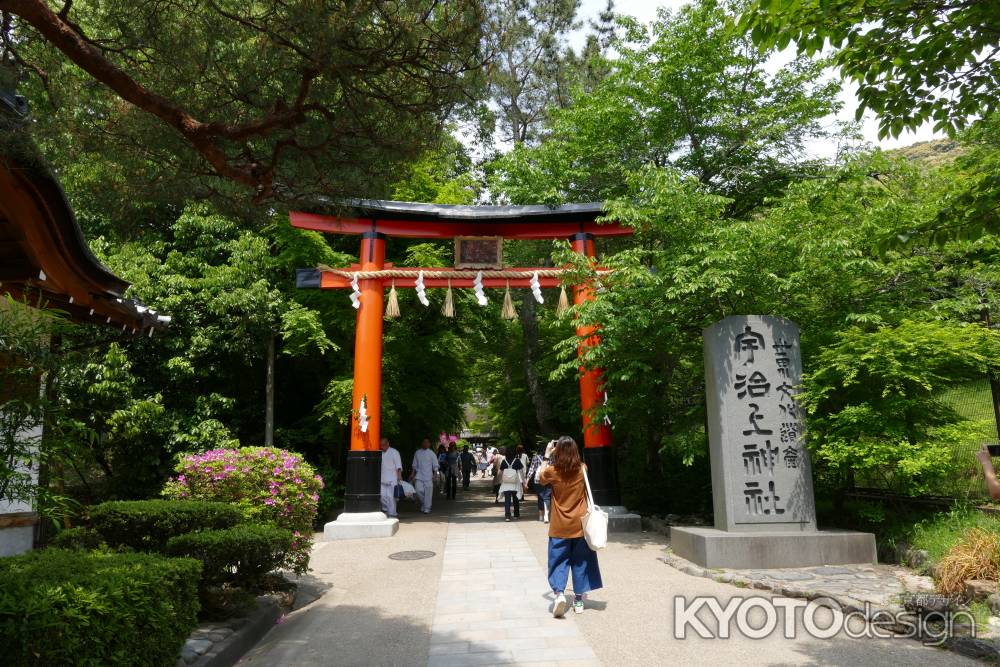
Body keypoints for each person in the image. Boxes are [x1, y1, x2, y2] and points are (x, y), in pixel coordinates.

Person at [538, 435, 603, 617]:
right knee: (581, 562)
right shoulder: (583, 469)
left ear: (557, 451)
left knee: (558, 561)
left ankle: (559, 594)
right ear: (575, 451)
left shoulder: (552, 471)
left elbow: (540, 478)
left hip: (559, 526)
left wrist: (546, 455)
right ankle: (579, 600)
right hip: (581, 525)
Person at [410, 438, 439, 513]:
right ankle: (424, 504)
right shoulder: (417, 452)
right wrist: (412, 474)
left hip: (429, 476)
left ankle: (427, 508)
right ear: (422, 443)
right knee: (418, 490)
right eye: (424, 442)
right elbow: (414, 465)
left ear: (429, 444)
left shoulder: (431, 453)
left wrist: (435, 474)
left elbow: (435, 465)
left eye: (427, 442)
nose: (425, 444)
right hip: (419, 475)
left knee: (428, 493)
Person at [527, 442, 553, 523]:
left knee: (540, 497)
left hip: (538, 480)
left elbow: (531, 469)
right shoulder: (552, 457)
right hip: (548, 479)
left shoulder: (535, 457)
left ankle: (541, 516)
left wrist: (527, 480)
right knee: (547, 497)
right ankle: (546, 515)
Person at [497, 446, 525, 521]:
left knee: (507, 500)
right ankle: (516, 514)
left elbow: (500, 472)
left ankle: (507, 516)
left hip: (506, 483)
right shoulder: (517, 461)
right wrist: (524, 482)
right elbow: (521, 472)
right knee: (515, 499)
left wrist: (499, 480)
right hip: (515, 483)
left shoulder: (504, 461)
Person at [379, 437, 403, 518]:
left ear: (388, 444)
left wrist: (399, 476)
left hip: (393, 478)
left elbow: (398, 465)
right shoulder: (380, 453)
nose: (382, 447)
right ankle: (386, 510)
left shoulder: (394, 452)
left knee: (391, 497)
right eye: (381, 445)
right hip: (382, 478)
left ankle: (392, 514)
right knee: (382, 496)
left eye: (384, 445)